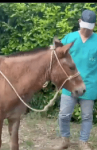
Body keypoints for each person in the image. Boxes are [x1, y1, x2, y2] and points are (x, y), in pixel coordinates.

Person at [52, 9, 97, 150]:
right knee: (64, 115)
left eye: (89, 28)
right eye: (84, 27)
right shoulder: (69, 38)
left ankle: (83, 141)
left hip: (89, 85)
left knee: (87, 116)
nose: (86, 31)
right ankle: (64, 139)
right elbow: (57, 56)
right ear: (79, 22)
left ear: (94, 26)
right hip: (70, 84)